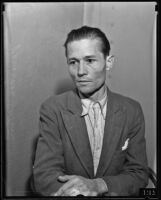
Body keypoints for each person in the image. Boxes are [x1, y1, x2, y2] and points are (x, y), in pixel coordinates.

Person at [32, 26, 149, 196]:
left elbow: (139, 174)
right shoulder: (53, 109)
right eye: (73, 62)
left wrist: (99, 185)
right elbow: (44, 176)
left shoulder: (131, 110)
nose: (80, 72)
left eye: (90, 60)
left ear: (108, 62)